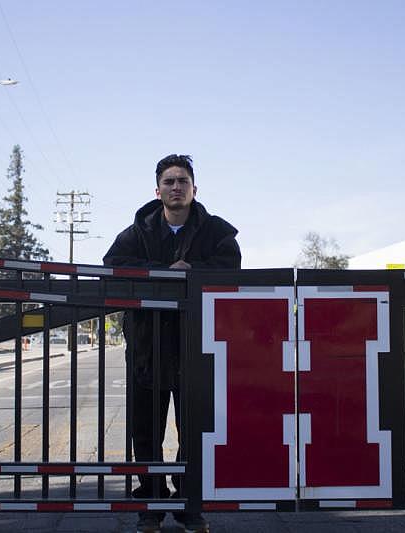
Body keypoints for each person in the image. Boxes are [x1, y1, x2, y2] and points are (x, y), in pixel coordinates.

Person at [103, 154, 241, 533]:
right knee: (145, 433)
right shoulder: (140, 229)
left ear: (194, 189)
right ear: (158, 190)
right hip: (148, 349)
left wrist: (192, 271)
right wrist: (166, 272)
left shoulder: (215, 231)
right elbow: (113, 264)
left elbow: (231, 268)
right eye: (169, 181)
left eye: (182, 181)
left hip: (198, 348)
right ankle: (150, 505)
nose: (176, 187)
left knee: (195, 432)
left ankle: (189, 505)